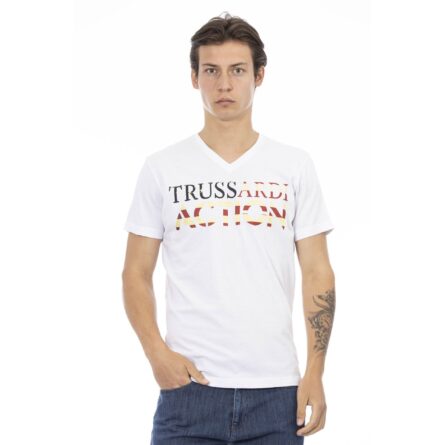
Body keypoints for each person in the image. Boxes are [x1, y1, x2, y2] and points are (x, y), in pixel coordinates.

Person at [122, 11, 336, 445]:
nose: (224, 85)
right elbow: (135, 273)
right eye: (211, 71)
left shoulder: (294, 166)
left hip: (278, 395)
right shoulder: (162, 168)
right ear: (194, 78)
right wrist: (156, 353)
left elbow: (318, 272)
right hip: (189, 393)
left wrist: (315, 371)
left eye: (237, 70)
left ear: (259, 76)